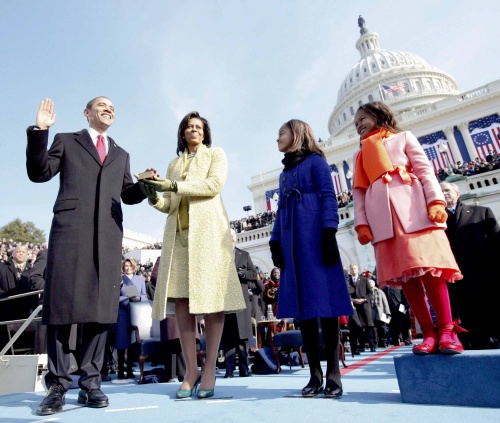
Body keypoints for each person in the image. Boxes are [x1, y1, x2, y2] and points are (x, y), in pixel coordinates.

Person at [26, 97, 146, 415]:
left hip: (107, 238)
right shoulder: (66, 140)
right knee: (63, 307)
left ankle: (91, 383)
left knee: (101, 310)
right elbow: (39, 173)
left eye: (113, 107)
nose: (109, 109)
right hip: (70, 232)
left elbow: (128, 194)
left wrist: (145, 185)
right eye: (102, 105)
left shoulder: (121, 154)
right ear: (87, 112)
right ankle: (58, 385)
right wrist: (40, 130)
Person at [139, 111, 245, 399]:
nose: (193, 130)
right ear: (182, 133)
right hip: (179, 238)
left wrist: (172, 186)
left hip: (209, 236)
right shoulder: (174, 164)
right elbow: (169, 204)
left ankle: (209, 366)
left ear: (205, 133)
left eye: (198, 127)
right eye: (189, 127)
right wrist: (153, 194)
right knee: (182, 303)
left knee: (212, 302)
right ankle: (191, 370)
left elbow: (213, 186)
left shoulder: (215, 155)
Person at [352, 101, 464, 356]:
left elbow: (424, 170)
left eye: (363, 119)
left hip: (415, 212)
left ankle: (447, 330)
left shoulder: (403, 138)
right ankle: (428, 332)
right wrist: (362, 223)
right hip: (384, 222)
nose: (359, 125)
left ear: (379, 115)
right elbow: (358, 193)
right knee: (407, 279)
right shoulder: (360, 155)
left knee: (432, 273)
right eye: (356, 122)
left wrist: (436, 201)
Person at [269, 119, 353, 398]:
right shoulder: (283, 174)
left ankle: (333, 372)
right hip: (292, 242)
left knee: (326, 304)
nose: (277, 138)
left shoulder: (316, 161)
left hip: (315, 238)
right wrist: (275, 241)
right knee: (303, 307)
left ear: (297, 133)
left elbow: (329, 196)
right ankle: (314, 373)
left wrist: (329, 231)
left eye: (281, 133)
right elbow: (280, 211)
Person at [440, 182, 500, 349]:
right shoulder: (437, 222)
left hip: (485, 276)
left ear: (457, 193)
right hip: (458, 280)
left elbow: (496, 244)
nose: (444, 194)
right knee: (470, 319)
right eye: (440, 191)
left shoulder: (481, 212)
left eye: (447, 190)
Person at [221, 229, 256, 378]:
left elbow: (253, 274)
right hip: (226, 300)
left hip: (241, 301)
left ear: (236, 239)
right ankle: (229, 370)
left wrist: (243, 274)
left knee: (242, 338)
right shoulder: (219, 255)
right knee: (228, 338)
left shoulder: (244, 255)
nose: (230, 240)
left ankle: (244, 369)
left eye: (232, 237)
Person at [115, 258, 148, 379]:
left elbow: (144, 295)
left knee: (133, 342)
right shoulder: (120, 279)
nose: (127, 268)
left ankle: (129, 369)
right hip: (123, 313)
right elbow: (115, 297)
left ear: (133, 266)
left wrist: (139, 299)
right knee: (121, 342)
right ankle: (120, 370)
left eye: (129, 265)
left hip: (136, 314)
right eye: (125, 266)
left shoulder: (140, 280)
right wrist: (127, 300)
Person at [0, 244, 37, 351]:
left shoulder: (33, 270)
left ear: (27, 254)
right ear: (13, 253)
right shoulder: (2, 268)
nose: (20, 254)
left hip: (27, 311)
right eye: (18, 251)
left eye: (23, 252)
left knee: (26, 342)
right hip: (6, 310)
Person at [367, 279, 390, 349]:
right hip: (371, 311)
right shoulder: (367, 292)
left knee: (382, 327)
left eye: (371, 283)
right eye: (369, 283)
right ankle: (375, 342)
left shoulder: (380, 291)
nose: (370, 284)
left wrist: (387, 312)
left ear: (374, 284)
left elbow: (385, 302)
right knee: (373, 328)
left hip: (380, 311)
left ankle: (383, 342)